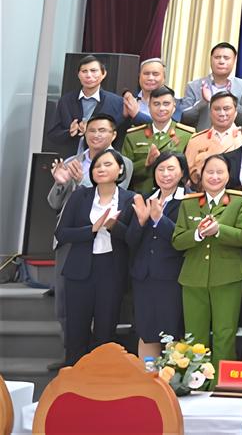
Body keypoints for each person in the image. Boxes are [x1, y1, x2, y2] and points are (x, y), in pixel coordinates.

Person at [55, 148, 134, 363]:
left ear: (120, 170)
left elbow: (133, 238)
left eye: (107, 164)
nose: (101, 169)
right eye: (97, 165)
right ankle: (73, 376)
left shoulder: (130, 199)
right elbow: (61, 233)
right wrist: (91, 229)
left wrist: (114, 227)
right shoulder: (80, 196)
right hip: (79, 271)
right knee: (76, 332)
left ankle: (100, 378)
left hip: (111, 271)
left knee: (105, 333)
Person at [171, 155, 242, 364]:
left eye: (220, 172)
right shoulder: (189, 203)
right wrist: (197, 234)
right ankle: (197, 379)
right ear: (201, 175)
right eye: (210, 172)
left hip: (228, 278)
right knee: (194, 336)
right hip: (193, 278)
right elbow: (177, 240)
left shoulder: (239, 201)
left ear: (228, 175)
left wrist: (219, 230)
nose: (214, 177)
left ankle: (220, 381)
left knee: (225, 334)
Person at [128, 151, 190, 359]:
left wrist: (159, 219)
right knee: (147, 333)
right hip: (144, 277)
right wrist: (141, 222)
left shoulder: (189, 200)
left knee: (172, 332)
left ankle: (173, 376)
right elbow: (131, 241)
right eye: (160, 169)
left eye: (171, 169)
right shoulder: (146, 199)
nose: (165, 174)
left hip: (172, 277)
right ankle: (148, 376)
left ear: (182, 172)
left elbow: (184, 240)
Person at [44, 54, 126, 154]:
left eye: (93, 71)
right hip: (71, 158)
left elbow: (120, 135)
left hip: (102, 158)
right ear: (78, 75)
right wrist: (70, 132)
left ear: (103, 74)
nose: (88, 75)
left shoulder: (116, 102)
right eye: (84, 71)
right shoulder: (66, 100)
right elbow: (53, 134)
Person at [121, 85, 193, 193]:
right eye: (156, 104)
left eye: (166, 104)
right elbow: (124, 173)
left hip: (173, 197)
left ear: (174, 107)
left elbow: (190, 173)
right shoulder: (133, 136)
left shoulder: (187, 135)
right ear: (149, 107)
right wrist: (146, 164)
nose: (161, 108)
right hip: (140, 196)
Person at [176, 42, 242, 130]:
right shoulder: (194, 86)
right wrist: (203, 102)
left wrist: (230, 102)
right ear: (211, 59)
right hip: (201, 136)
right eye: (217, 57)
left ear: (234, 61)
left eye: (226, 58)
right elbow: (184, 118)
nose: (221, 61)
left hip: (232, 137)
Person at [182, 91, 242, 183]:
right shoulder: (196, 140)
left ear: (235, 112)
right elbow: (186, 175)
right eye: (217, 109)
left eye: (226, 109)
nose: (222, 113)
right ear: (210, 113)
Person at [120, 58, 168, 127]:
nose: (150, 78)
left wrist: (137, 115)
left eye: (155, 74)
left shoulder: (174, 104)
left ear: (164, 78)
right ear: (139, 76)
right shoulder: (129, 101)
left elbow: (165, 128)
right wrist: (124, 117)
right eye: (146, 74)